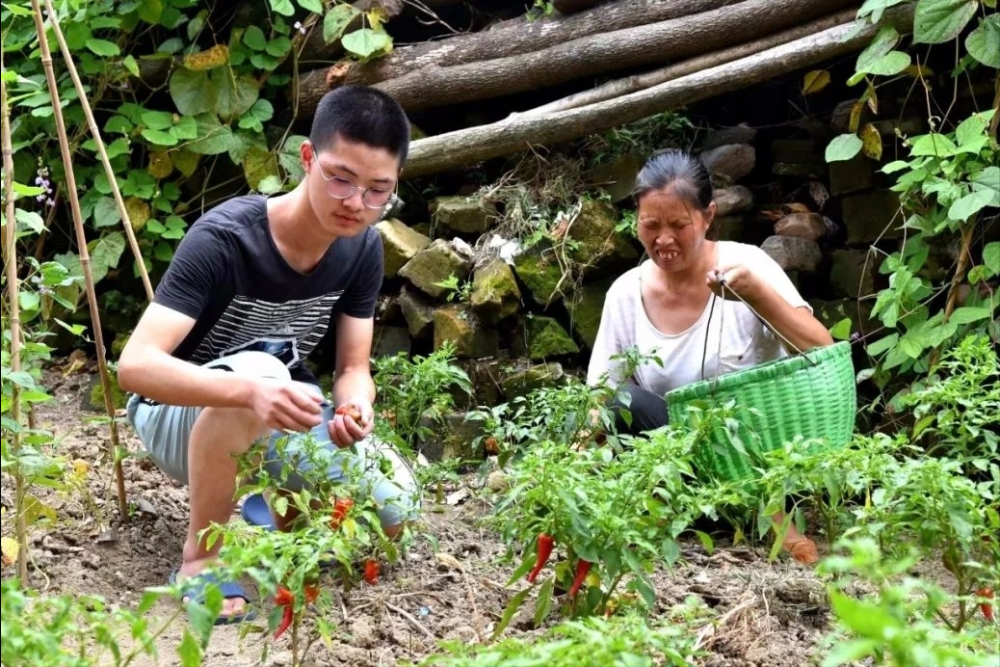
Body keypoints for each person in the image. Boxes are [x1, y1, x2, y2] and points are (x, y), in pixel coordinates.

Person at [118, 86, 421, 624]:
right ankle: (200, 560)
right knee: (260, 374)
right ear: (306, 157)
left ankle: (267, 509)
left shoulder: (363, 248)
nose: (356, 203)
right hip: (174, 417)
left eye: (378, 190)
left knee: (397, 506)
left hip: (278, 409)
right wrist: (249, 390)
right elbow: (135, 367)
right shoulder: (225, 239)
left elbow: (353, 368)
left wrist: (354, 405)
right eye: (341, 178)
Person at [586, 149, 834, 565]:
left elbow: (822, 352)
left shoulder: (747, 265)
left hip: (760, 462)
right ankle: (688, 513)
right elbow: (599, 399)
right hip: (679, 467)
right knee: (626, 402)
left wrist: (756, 295)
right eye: (650, 225)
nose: (664, 239)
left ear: (708, 216)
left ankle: (766, 515)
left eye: (679, 225)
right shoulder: (626, 293)